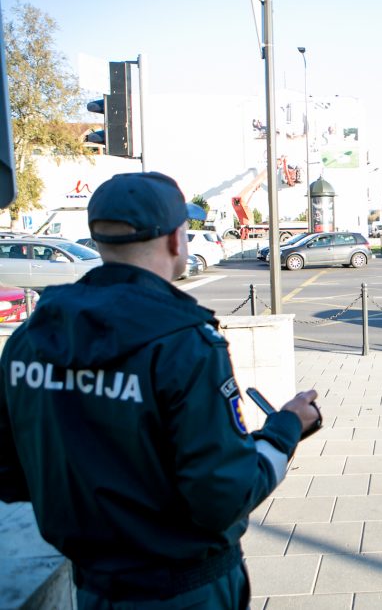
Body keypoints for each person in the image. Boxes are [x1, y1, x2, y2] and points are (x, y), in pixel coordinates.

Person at [0, 172, 323, 609]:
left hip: (94, 589)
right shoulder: (183, 343)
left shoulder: (31, 338)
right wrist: (285, 428)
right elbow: (222, 495)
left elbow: (13, 475)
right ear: (175, 241)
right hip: (184, 591)